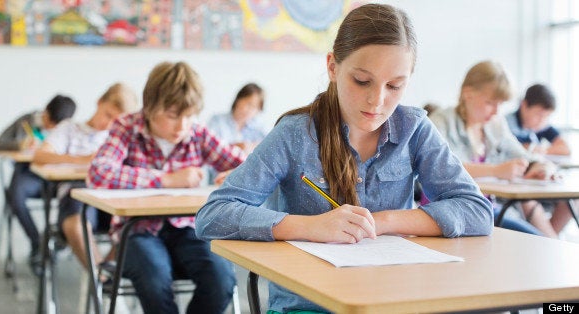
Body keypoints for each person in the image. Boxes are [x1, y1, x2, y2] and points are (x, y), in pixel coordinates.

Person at [195, 4, 493, 313]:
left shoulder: (415, 129)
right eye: (362, 81)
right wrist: (310, 227)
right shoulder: (295, 134)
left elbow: (476, 211)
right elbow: (214, 215)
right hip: (308, 305)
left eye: (394, 86)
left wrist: (382, 221)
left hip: (394, 300)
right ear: (333, 67)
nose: (377, 101)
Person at [87, 62, 246, 314]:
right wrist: (167, 179)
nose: (182, 125)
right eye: (172, 116)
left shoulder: (197, 134)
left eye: (189, 115)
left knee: (222, 280)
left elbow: (250, 165)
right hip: (137, 232)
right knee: (155, 281)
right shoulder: (126, 128)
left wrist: (240, 172)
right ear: (150, 108)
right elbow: (98, 172)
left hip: (189, 228)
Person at [429, 60, 575, 238]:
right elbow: (442, 169)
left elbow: (523, 155)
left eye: (501, 104)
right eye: (491, 103)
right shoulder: (440, 122)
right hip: (452, 211)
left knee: (539, 238)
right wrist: (497, 170)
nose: (496, 111)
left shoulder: (495, 124)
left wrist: (541, 167)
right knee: (537, 240)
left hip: (485, 209)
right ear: (468, 94)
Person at [33, 83, 139, 270]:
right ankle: (102, 281)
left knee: (138, 225)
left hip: (110, 194)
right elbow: (40, 156)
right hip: (76, 191)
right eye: (108, 115)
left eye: (116, 120)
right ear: (99, 102)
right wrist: (83, 160)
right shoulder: (69, 129)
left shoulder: (119, 137)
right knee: (76, 225)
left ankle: (108, 277)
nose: (108, 124)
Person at [0, 94, 76, 275]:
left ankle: (57, 241)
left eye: (57, 126)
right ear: (45, 113)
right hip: (28, 175)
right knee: (15, 195)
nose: (51, 128)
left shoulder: (71, 130)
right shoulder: (26, 122)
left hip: (56, 178)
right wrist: (21, 145)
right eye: (49, 122)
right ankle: (38, 243)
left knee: (75, 195)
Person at [506, 83, 571, 156]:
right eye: (539, 114)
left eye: (547, 116)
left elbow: (565, 149)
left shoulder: (541, 125)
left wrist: (537, 149)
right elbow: (508, 150)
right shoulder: (505, 125)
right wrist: (528, 148)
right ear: (524, 105)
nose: (542, 120)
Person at [207, 82, 268, 154]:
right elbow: (208, 148)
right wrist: (234, 147)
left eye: (254, 107)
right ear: (238, 100)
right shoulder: (217, 121)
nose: (249, 110)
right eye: (248, 104)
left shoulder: (260, 129)